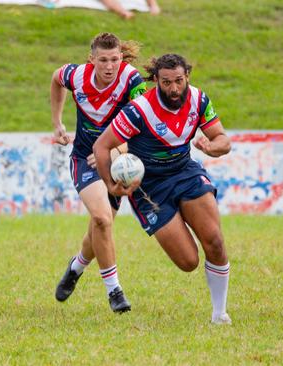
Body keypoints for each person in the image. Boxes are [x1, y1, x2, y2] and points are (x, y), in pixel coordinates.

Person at [93, 54, 233, 324]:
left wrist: (211, 147)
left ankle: (219, 313)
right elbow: (102, 146)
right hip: (150, 187)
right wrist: (111, 186)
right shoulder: (139, 110)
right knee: (188, 261)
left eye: (179, 81)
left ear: (187, 77)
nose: (173, 89)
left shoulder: (198, 99)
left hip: (185, 172)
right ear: (156, 79)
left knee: (214, 240)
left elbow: (223, 140)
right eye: (166, 82)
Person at [51, 32, 147, 313]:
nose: (109, 66)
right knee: (102, 219)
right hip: (84, 158)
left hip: (116, 161)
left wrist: (115, 151)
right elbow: (57, 79)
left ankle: (76, 267)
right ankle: (114, 291)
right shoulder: (76, 76)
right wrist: (57, 122)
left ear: (121, 58)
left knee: (99, 228)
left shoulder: (132, 81)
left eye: (114, 59)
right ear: (91, 60)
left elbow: (142, 123)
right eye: (103, 60)